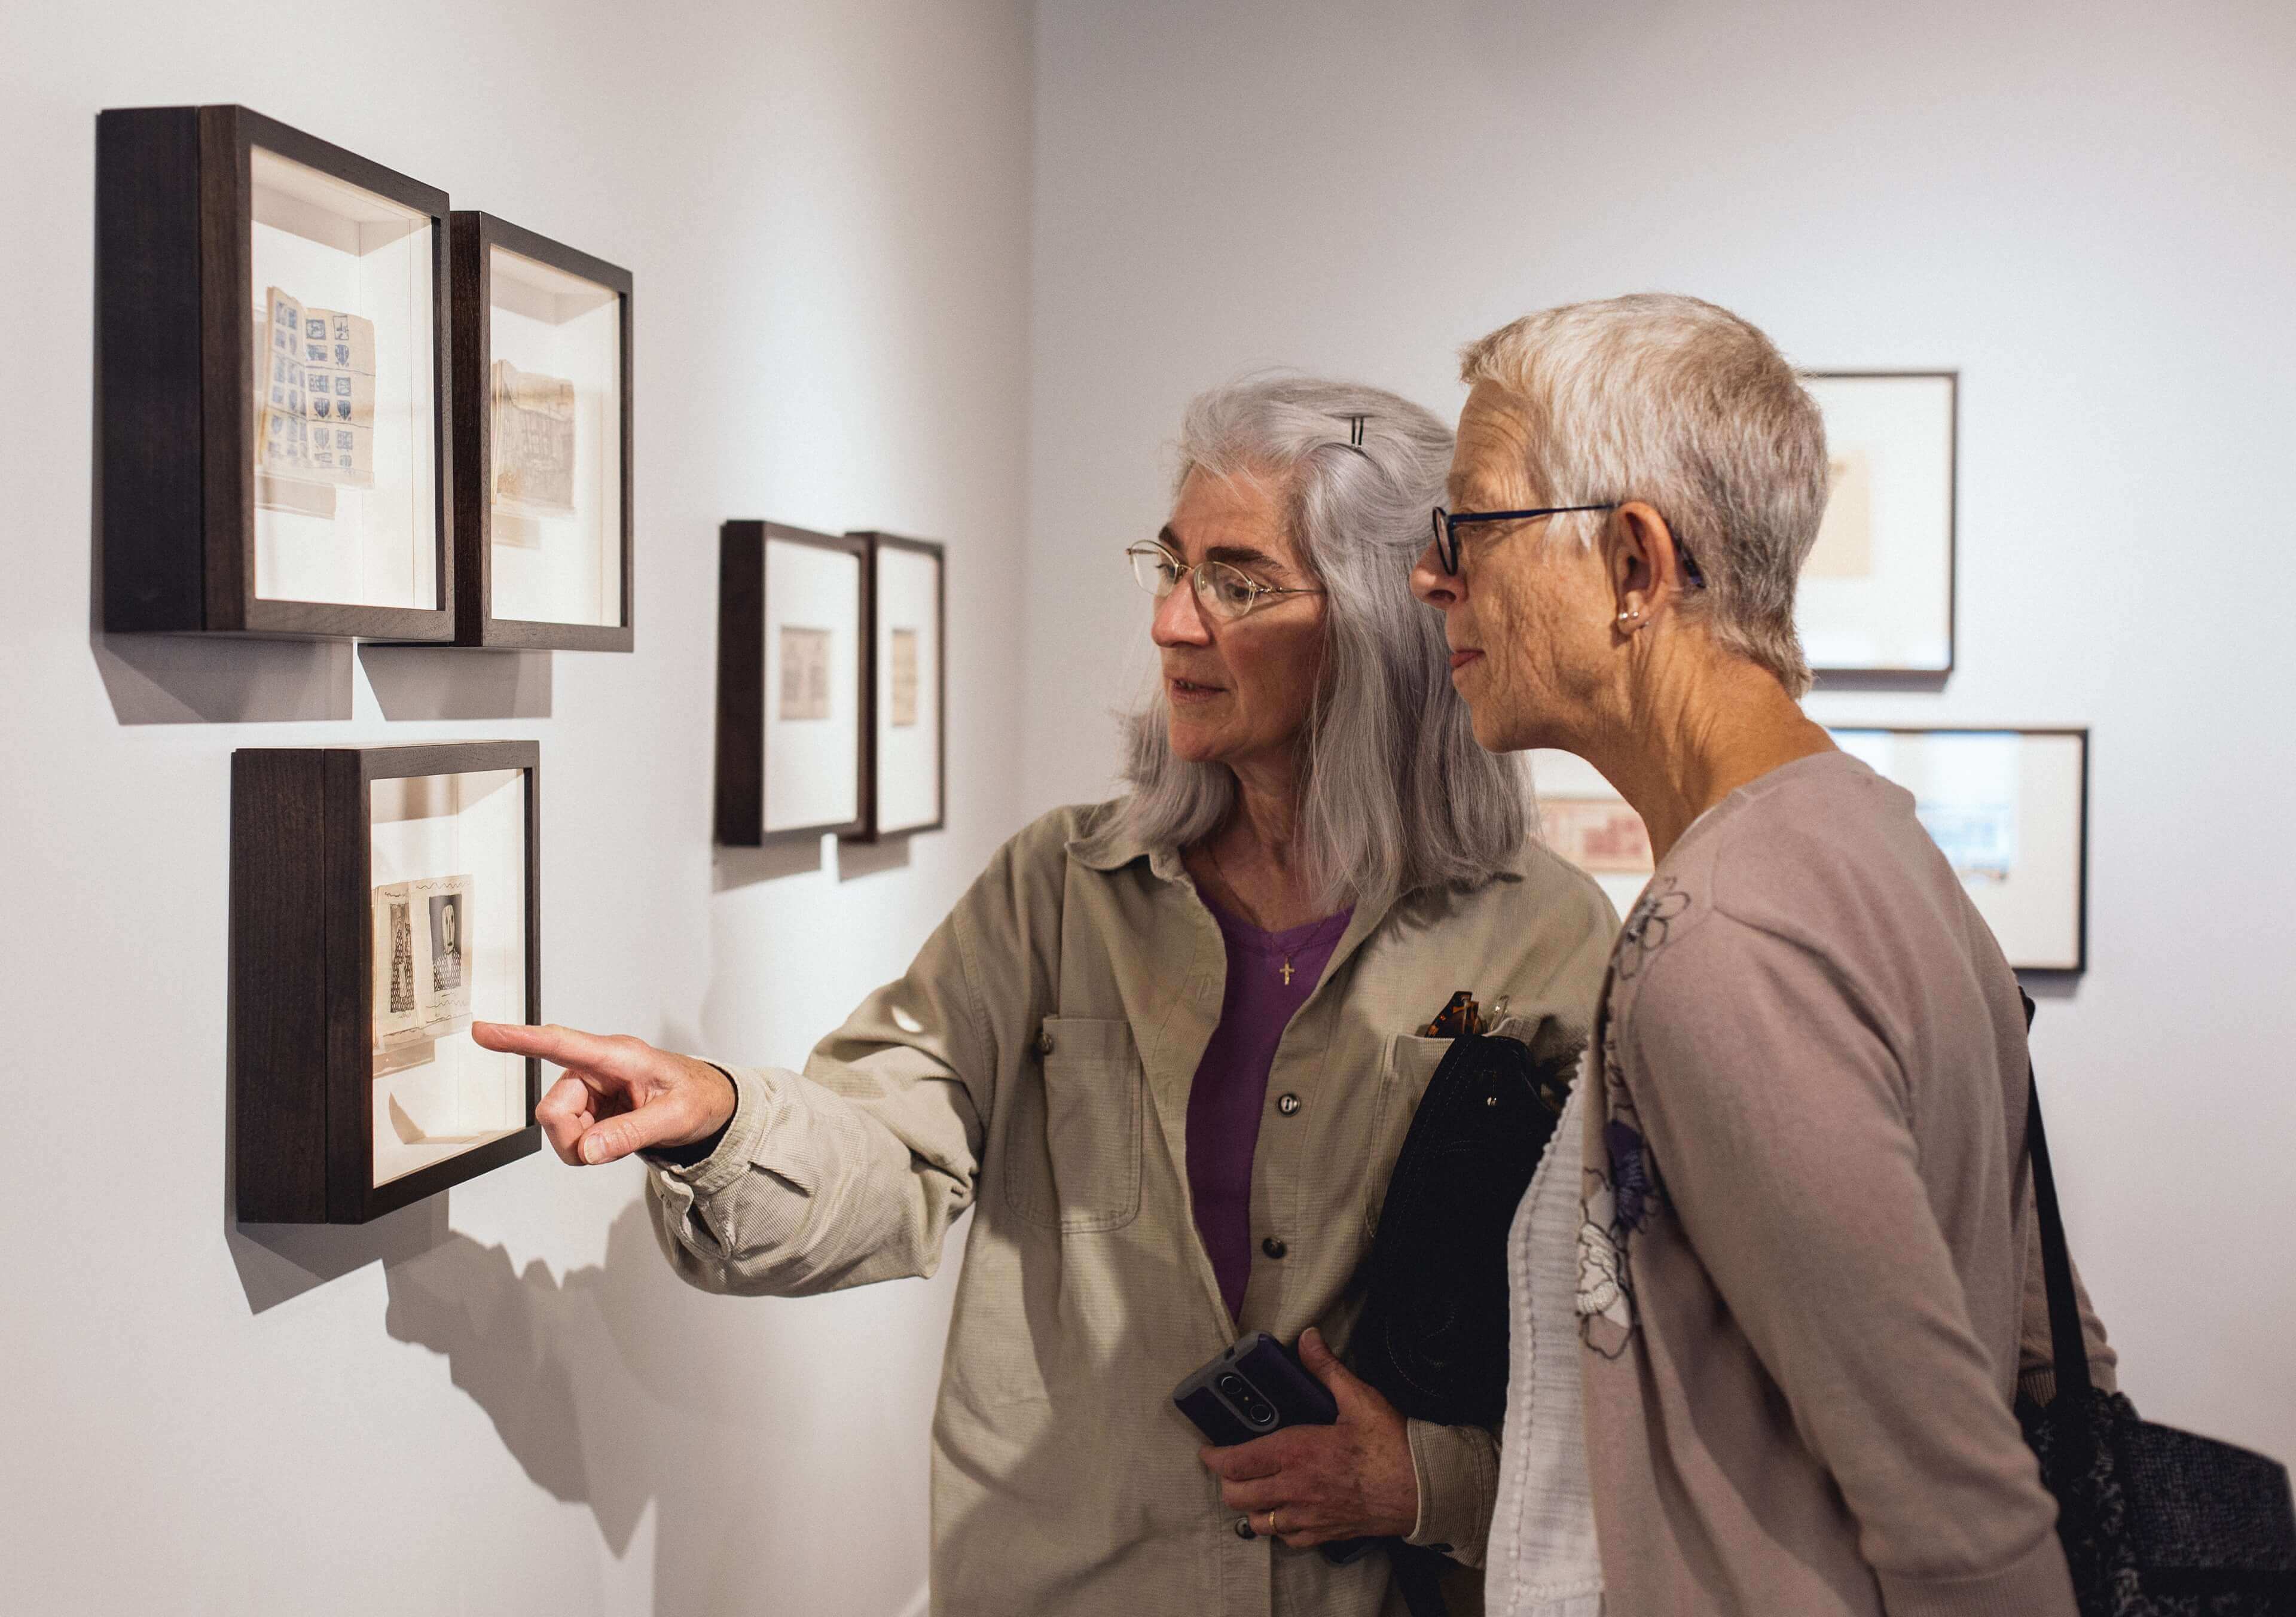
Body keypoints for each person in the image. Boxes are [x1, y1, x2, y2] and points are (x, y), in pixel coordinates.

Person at [477, 376, 1617, 1616]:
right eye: (1171, 568)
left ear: (1383, 620)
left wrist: (1427, 1483)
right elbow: (890, 1144)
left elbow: (1622, 1347)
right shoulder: (1059, 891)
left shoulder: (1543, 935)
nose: (1172, 623)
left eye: (1238, 584)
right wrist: (721, 1117)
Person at [1410, 295, 2117, 1617]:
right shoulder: (1880, 850)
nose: (1432, 575)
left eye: (1473, 526)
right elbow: (2043, 1342)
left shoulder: (1724, 938)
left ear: (1634, 564)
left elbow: (1957, 1504)